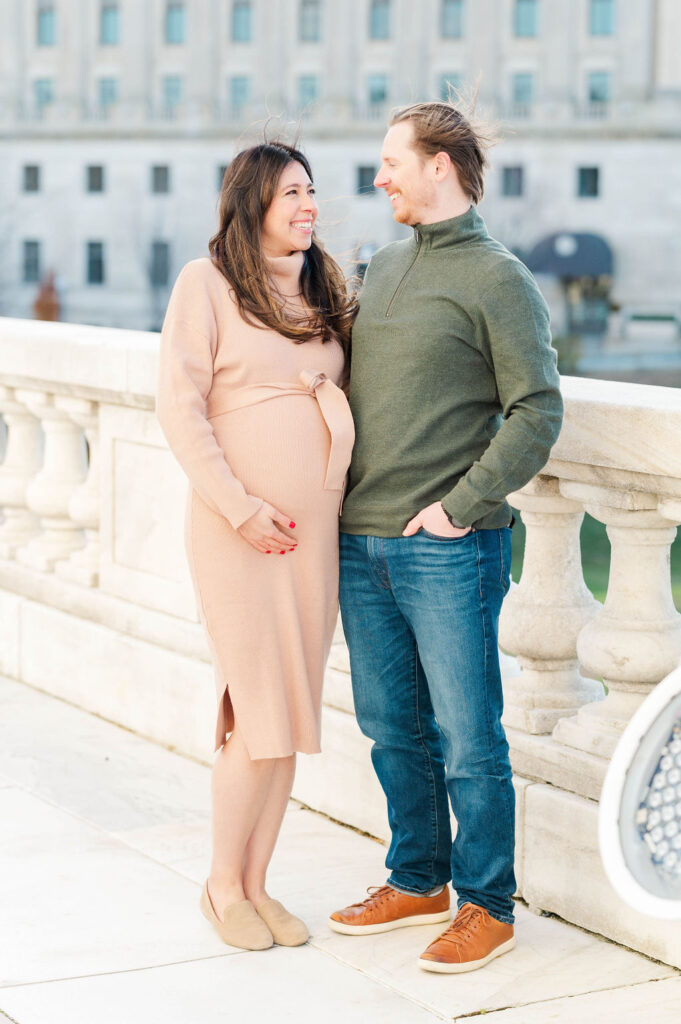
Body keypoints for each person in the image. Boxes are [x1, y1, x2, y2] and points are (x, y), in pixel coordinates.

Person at [329, 101, 563, 973]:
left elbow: (536, 409)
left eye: (393, 160)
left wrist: (461, 505)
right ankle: (417, 877)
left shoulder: (498, 278)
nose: (380, 175)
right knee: (392, 726)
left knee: (469, 736)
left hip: (447, 545)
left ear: (440, 166)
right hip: (359, 541)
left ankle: (487, 905)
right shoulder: (381, 267)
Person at [157, 142, 356, 952]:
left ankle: (260, 882)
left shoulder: (325, 288)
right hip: (239, 533)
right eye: (290, 195)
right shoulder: (204, 285)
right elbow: (180, 407)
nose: (308, 206)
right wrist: (238, 508)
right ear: (252, 206)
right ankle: (220, 884)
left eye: (312, 192)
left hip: (313, 538)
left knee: (292, 713)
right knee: (254, 712)